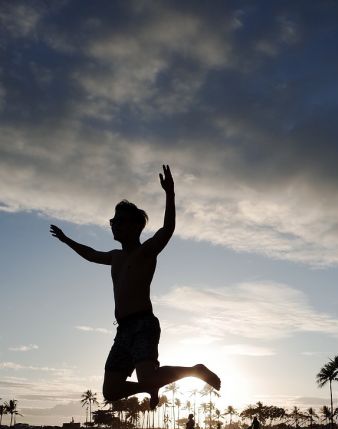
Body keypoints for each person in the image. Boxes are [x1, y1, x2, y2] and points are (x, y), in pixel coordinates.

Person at [50, 165, 220, 410]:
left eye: (118, 221)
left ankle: (195, 371)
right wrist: (66, 240)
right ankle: (149, 387)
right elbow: (89, 254)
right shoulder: (115, 256)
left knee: (148, 375)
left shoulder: (145, 252)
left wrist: (170, 194)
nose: (113, 225)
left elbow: (167, 229)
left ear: (134, 226)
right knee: (110, 391)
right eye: (112, 221)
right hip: (123, 330)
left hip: (143, 324)